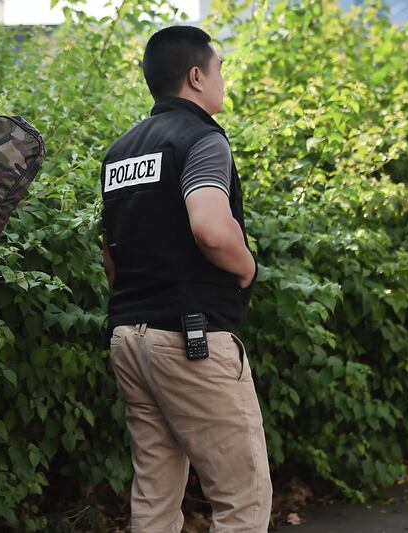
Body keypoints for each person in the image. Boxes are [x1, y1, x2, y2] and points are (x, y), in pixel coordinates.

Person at [101, 26, 272, 532]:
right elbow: (212, 229)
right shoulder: (201, 139)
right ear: (196, 76)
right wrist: (247, 268)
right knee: (242, 497)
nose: (223, 81)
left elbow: (112, 258)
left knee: (155, 497)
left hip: (130, 339)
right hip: (191, 340)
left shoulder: (121, 151)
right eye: (219, 70)